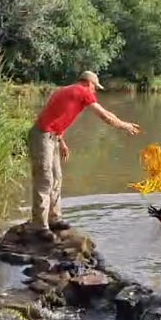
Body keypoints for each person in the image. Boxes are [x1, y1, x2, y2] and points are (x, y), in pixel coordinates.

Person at [29, 71, 140, 242]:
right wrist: (125, 126)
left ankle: (54, 218)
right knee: (45, 179)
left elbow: (55, 115)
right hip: (42, 136)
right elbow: (105, 116)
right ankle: (39, 227)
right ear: (89, 83)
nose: (94, 92)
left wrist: (61, 141)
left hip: (52, 136)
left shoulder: (68, 91)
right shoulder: (81, 91)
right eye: (95, 88)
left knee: (57, 177)